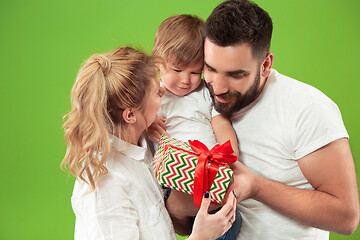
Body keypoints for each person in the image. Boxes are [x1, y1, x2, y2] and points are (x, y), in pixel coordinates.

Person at [202, 0, 359, 239]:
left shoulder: (307, 109)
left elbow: (346, 217)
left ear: (266, 65)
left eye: (236, 75)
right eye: (210, 68)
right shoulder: (200, 97)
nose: (219, 88)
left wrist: (256, 186)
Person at [61, 46, 237, 240]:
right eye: (157, 93)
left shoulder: (143, 145)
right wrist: (200, 237)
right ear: (130, 115)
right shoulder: (105, 184)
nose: (164, 91)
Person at [148, 14, 242, 239]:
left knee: (231, 220)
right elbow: (135, 123)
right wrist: (148, 122)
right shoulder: (154, 96)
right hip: (175, 179)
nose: (185, 80)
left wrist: (229, 156)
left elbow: (221, 124)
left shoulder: (204, 94)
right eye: (177, 70)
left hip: (211, 173)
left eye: (194, 72)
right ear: (158, 64)